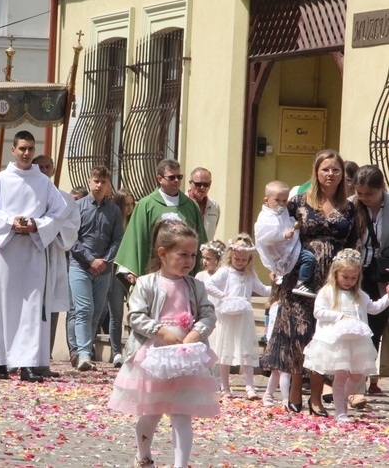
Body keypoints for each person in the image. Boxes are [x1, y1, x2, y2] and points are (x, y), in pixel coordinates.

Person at [107, 216, 219, 468]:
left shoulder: (196, 286)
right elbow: (135, 315)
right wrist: (160, 331)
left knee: (182, 414)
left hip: (185, 356)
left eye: (193, 255)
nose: (189, 261)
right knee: (152, 413)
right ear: (162, 253)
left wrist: (197, 332)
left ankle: (180, 465)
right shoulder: (147, 283)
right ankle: (143, 455)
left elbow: (208, 313)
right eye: (183, 255)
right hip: (154, 356)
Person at [260, 149, 358, 417]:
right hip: (300, 277)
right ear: (316, 171)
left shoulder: (350, 207)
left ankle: (316, 397)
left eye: (335, 170)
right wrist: (276, 264)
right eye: (325, 169)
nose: (331, 174)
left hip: (332, 280)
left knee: (322, 335)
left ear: (342, 175)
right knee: (298, 333)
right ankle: (294, 390)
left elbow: (353, 244)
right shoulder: (299, 201)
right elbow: (277, 231)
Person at [0, 131, 67, 383]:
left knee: (33, 309)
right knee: (5, 306)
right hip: (7, 250)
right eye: (22, 148)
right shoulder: (0, 180)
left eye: (30, 149)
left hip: (34, 250)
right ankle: (0, 360)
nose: (26, 153)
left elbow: (59, 212)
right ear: (13, 150)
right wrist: (9, 221)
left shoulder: (44, 183)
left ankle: (29, 364)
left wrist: (36, 224)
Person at [302, 249, 389, 422]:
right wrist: (339, 316)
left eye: (354, 278)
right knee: (341, 374)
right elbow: (318, 312)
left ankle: (340, 398)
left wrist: (388, 296)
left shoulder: (359, 295)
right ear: (335, 274)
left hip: (357, 342)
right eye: (345, 277)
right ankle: (340, 411)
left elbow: (374, 308)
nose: (349, 281)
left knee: (357, 375)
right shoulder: (327, 292)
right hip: (337, 341)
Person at [116, 158, 207, 284]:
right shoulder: (145, 205)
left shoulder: (190, 206)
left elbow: (200, 239)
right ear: (160, 179)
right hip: (154, 272)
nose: (176, 181)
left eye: (179, 177)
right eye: (171, 177)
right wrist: (130, 270)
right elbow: (134, 239)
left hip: (184, 274)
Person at [69, 165, 123, 371]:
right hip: (80, 266)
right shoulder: (78, 207)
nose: (99, 185)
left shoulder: (114, 211)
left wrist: (104, 261)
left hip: (104, 270)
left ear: (109, 186)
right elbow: (71, 238)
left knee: (96, 313)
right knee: (83, 309)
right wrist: (91, 260)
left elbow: (118, 239)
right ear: (89, 182)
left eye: (103, 182)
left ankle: (86, 349)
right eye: (96, 181)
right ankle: (83, 353)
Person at [204, 233, 271, 399]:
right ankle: (225, 387)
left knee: (246, 350)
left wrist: (277, 285)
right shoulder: (225, 271)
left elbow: (262, 290)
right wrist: (223, 296)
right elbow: (208, 284)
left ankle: (249, 387)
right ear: (231, 256)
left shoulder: (249, 274)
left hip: (244, 316)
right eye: (237, 259)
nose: (240, 263)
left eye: (244, 260)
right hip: (227, 315)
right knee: (225, 350)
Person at [33, 154, 80, 378]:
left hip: (53, 255)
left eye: (47, 166)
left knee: (50, 307)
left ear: (52, 170)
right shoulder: (25, 195)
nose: (43, 170)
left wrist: (50, 229)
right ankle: (19, 359)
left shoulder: (64, 199)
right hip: (29, 255)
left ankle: (43, 361)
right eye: (38, 166)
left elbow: (72, 226)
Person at [352, 164, 389, 397]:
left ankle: (364, 380)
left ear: (382, 188)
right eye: (360, 193)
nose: (364, 198)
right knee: (355, 328)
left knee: (374, 329)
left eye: (369, 194)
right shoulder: (350, 206)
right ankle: (351, 383)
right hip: (354, 275)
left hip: (382, 276)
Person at [254, 180, 317, 298]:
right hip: (281, 253)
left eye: (284, 201)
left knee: (305, 259)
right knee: (308, 258)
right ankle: (302, 282)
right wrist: (283, 235)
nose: (281, 204)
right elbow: (264, 235)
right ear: (266, 200)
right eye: (277, 200)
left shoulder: (282, 212)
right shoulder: (266, 217)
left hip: (289, 248)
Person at [101, 189, 135, 368]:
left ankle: (133, 348)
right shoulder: (113, 220)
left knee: (135, 311)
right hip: (115, 271)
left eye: (131, 204)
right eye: (126, 204)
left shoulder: (135, 222)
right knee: (116, 313)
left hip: (131, 272)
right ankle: (116, 352)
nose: (129, 208)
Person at [187, 167, 220, 241]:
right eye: (198, 184)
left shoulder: (215, 206)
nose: (202, 187)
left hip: (206, 251)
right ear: (190, 183)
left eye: (206, 184)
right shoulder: (181, 203)